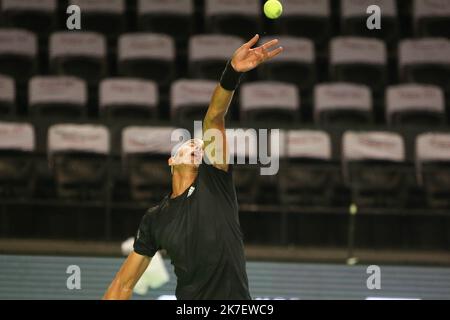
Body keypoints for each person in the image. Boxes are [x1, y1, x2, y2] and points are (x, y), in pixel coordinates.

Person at [103, 34, 283, 300]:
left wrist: (231, 72)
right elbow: (123, 285)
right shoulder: (155, 219)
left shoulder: (216, 179)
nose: (197, 147)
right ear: (171, 161)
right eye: (189, 144)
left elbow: (214, 117)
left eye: (201, 146)